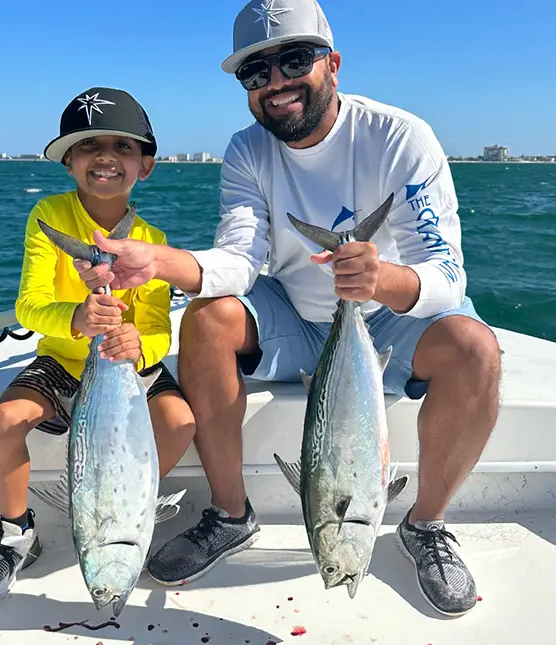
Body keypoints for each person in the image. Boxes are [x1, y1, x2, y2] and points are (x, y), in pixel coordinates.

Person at [75, 0, 501, 617]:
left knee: (476, 347)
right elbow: (239, 258)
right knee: (207, 317)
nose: (275, 83)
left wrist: (381, 279)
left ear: (332, 62)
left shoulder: (401, 137)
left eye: (293, 60)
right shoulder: (248, 150)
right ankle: (229, 514)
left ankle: (426, 525)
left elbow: (447, 269)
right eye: (256, 73)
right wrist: (158, 263)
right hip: (298, 315)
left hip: (393, 312)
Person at [0, 87, 196, 604]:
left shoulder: (153, 242)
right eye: (90, 146)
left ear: (145, 166)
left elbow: (159, 328)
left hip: (127, 366)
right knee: (4, 421)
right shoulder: (49, 216)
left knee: (181, 422)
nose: (107, 157)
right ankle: (15, 532)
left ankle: (132, 499)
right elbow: (29, 306)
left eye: (123, 147)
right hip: (63, 360)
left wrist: (138, 344)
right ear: (69, 162)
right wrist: (77, 317)